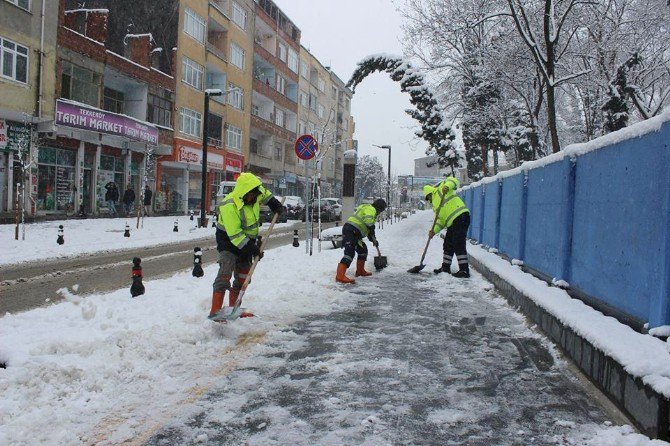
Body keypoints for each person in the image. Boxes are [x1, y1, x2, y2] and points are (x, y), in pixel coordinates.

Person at [209, 172, 283, 319]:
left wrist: (274, 203)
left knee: (243, 276)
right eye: (251, 195)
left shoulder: (254, 195)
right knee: (225, 273)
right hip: (228, 241)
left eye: (255, 195)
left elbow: (264, 193)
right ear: (244, 192)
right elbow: (235, 234)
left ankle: (233, 309)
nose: (254, 198)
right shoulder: (229, 205)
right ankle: (215, 311)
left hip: (247, 240)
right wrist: (252, 248)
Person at [424, 176, 471, 278]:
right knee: (448, 244)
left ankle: (464, 270)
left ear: (431, 193)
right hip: (452, 223)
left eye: (429, 197)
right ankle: (445, 268)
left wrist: (447, 186)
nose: (429, 200)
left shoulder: (441, 189)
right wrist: (433, 231)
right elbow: (441, 221)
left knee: (458, 243)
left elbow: (453, 180)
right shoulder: (436, 207)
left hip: (461, 216)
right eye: (427, 199)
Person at [336, 198, 387, 284]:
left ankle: (360, 271)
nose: (380, 212)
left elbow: (368, 229)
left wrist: (373, 239)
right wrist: (372, 230)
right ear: (379, 208)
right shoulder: (370, 209)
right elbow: (368, 223)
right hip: (350, 231)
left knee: (363, 250)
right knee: (349, 253)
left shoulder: (371, 210)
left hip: (356, 233)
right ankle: (339, 276)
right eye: (381, 210)